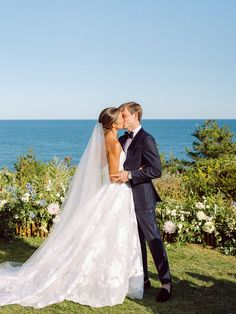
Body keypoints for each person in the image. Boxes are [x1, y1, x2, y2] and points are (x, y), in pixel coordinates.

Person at [0, 107, 143, 309]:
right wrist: (135, 172)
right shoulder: (114, 144)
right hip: (115, 192)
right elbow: (113, 175)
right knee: (111, 236)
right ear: (112, 123)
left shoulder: (105, 141)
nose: (123, 120)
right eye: (120, 117)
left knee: (102, 236)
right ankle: (105, 280)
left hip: (109, 192)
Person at [111, 102, 172, 303]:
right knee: (136, 242)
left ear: (136, 115)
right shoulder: (122, 139)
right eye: (121, 115)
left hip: (143, 198)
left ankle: (166, 283)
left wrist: (130, 174)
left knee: (153, 239)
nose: (123, 119)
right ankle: (143, 279)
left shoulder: (147, 139)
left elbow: (156, 170)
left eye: (125, 115)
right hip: (125, 199)